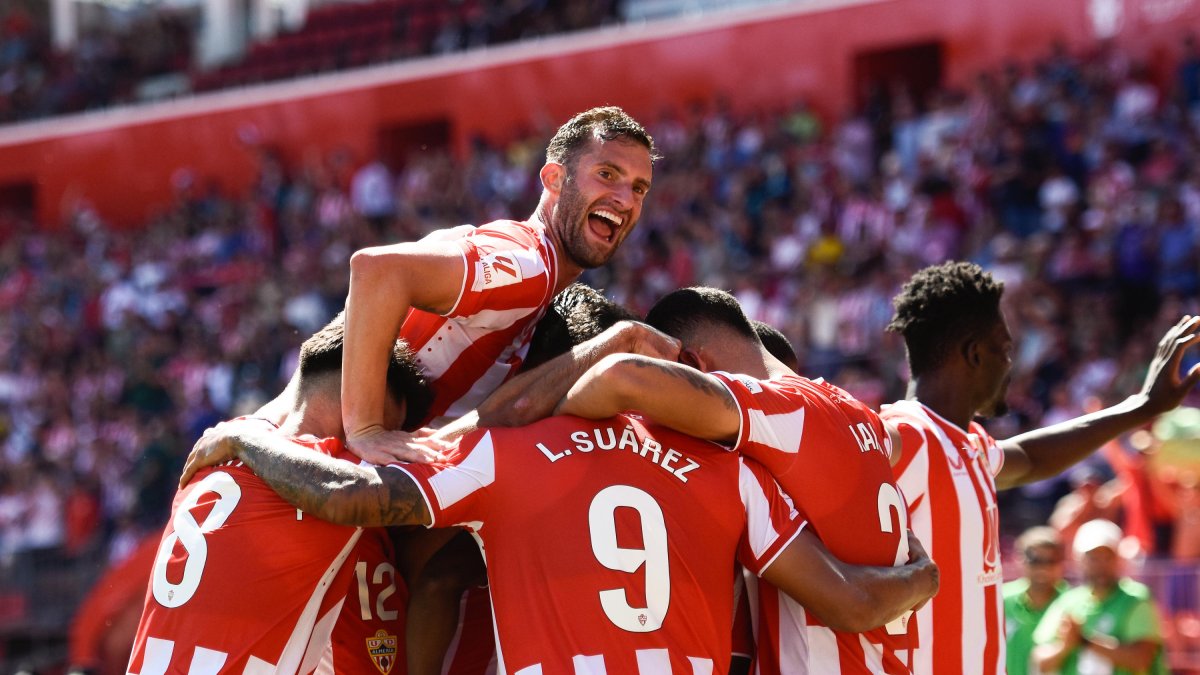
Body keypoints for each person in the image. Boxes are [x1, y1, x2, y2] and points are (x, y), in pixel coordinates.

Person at [180, 410, 938, 675]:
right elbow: (854, 601)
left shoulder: (502, 452)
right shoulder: (727, 469)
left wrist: (248, 440)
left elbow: (355, 499)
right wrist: (923, 575)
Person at [555, 287, 918, 674]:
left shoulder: (784, 412)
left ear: (692, 364)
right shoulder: (863, 419)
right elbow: (889, 446)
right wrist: (920, 579)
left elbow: (621, 377)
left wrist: (549, 423)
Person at [882, 261, 1200, 675]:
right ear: (974, 353)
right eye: (1005, 348)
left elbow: (1030, 458)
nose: (1011, 364)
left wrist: (1139, 407)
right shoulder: (905, 436)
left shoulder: (969, 445)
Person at [339, 106, 661, 465]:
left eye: (638, 188)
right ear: (554, 179)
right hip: (326, 487)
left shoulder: (538, 273)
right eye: (606, 174)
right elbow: (376, 270)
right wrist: (365, 430)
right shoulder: (528, 265)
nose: (625, 199)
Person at [127, 315, 432, 674]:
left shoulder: (214, 451)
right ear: (361, 400)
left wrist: (241, 439)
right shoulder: (330, 473)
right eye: (386, 429)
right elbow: (398, 491)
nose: (383, 443)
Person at [1032, 519, 1167, 674]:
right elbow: (1039, 661)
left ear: (1118, 559)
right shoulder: (1068, 601)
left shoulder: (1135, 598)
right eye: (1093, 557)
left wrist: (1085, 641)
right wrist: (1065, 647)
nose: (1101, 564)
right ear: (1079, 560)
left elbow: (1140, 659)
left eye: (1107, 556)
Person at [1003, 527, 1070, 675]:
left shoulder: (1072, 603)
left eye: (1050, 561)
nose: (1043, 569)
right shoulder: (1001, 600)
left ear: (1062, 563)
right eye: (1035, 560)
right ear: (1019, 559)